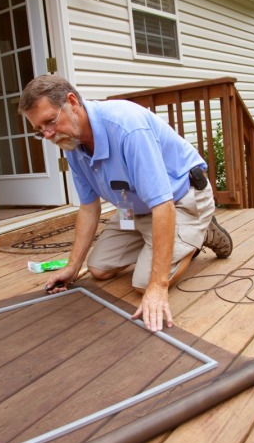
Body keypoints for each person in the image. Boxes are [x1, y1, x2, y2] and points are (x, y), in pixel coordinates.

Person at [18, 75, 232, 332]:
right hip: (133, 207)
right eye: (40, 130)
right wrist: (73, 266)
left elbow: (163, 205)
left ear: (72, 102)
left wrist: (158, 286)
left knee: (145, 283)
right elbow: (88, 206)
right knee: (98, 269)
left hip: (180, 199)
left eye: (50, 121)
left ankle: (201, 230)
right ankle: (169, 239)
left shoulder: (127, 127)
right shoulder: (71, 143)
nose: (48, 134)